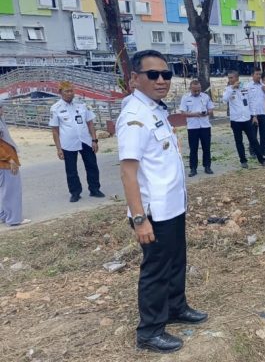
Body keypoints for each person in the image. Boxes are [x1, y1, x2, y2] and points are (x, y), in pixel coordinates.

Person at [117, 50, 208, 353]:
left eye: (166, 75)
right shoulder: (134, 116)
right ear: (134, 79)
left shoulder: (155, 110)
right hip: (153, 212)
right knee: (156, 268)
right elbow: (129, 174)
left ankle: (175, 307)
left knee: (176, 261)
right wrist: (139, 219)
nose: (161, 80)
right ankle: (150, 330)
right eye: (152, 75)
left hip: (172, 207)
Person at [49, 81, 104, 203]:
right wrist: (59, 149)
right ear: (60, 93)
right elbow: (55, 131)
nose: (70, 94)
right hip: (68, 143)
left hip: (85, 140)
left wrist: (94, 140)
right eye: (66, 91)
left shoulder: (82, 105)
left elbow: (90, 123)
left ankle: (95, 189)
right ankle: (75, 193)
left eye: (71, 91)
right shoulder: (55, 108)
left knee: (92, 166)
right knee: (71, 170)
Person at [222, 71, 265, 168]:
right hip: (236, 120)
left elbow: (251, 102)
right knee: (239, 141)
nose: (230, 80)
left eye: (231, 78)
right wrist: (232, 88)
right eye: (229, 78)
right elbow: (225, 99)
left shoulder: (245, 88)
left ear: (237, 78)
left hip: (247, 119)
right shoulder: (228, 89)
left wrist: (254, 116)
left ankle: (261, 159)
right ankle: (243, 160)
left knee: (253, 140)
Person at [0, 101, 30, 227]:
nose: (3, 110)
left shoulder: (1, 120)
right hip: (5, 162)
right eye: (1, 108)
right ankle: (14, 219)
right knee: (11, 190)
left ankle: (4, 215)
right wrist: (9, 159)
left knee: (3, 190)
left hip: (4, 161)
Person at [179, 80, 214, 177]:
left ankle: (207, 166)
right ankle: (193, 168)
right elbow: (182, 112)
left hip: (205, 126)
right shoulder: (185, 98)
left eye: (198, 90)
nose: (197, 92)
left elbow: (211, 109)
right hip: (192, 127)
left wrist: (207, 113)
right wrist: (194, 114)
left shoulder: (205, 96)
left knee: (206, 148)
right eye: (195, 91)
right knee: (193, 149)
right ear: (190, 89)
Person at [245, 68, 265, 157]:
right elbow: (246, 100)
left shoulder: (263, 86)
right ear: (252, 75)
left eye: (260, 74)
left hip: (263, 112)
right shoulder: (248, 86)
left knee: (264, 133)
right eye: (257, 74)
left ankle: (263, 150)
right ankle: (253, 151)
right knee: (253, 134)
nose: (258, 76)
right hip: (253, 113)